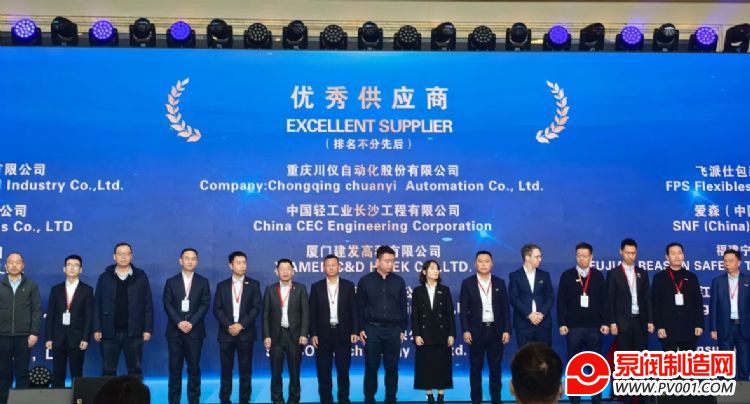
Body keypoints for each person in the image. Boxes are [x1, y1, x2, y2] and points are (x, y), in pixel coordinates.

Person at [556, 243, 608, 404]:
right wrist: (562, 323)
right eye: (578, 255)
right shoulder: (567, 275)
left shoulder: (598, 275)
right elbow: (561, 302)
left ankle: (596, 399)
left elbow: (604, 301)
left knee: (596, 365)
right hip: (573, 328)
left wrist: (605, 322)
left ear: (591, 257)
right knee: (574, 365)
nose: (581, 258)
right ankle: (575, 400)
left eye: (585, 256)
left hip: (594, 327)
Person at [93, 242, 154, 379]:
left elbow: (148, 304)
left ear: (131, 256)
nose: (123, 257)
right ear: (114, 257)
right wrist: (96, 328)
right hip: (109, 332)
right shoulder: (105, 277)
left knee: (135, 370)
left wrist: (147, 329)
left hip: (134, 332)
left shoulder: (140, 276)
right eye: (120, 254)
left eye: (127, 254)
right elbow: (97, 304)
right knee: (108, 370)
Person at [358, 245, 408, 404]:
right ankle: (369, 399)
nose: (390, 264)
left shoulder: (399, 281)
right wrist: (361, 328)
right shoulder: (365, 281)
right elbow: (359, 307)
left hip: (393, 330)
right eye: (387, 261)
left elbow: (403, 306)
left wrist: (402, 328)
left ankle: (391, 399)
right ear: (377, 262)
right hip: (372, 329)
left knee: (392, 368)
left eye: (392, 261)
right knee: (371, 367)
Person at [459, 250, 511, 404]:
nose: (483, 264)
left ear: (492, 264)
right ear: (475, 264)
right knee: (476, 370)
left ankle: (496, 400)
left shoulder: (499, 282)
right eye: (480, 261)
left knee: (496, 369)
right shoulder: (467, 283)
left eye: (487, 261)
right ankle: (476, 400)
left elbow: (505, 308)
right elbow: (463, 310)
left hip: (496, 331)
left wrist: (507, 329)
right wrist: (465, 330)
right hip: (476, 332)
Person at [163, 248, 211, 404]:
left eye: (193, 258)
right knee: (174, 370)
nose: (190, 261)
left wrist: (191, 322)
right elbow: (167, 304)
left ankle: (194, 400)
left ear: (197, 261)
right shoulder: (171, 282)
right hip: (175, 332)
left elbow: (205, 305)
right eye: (187, 258)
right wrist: (179, 322)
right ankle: (174, 400)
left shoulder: (203, 282)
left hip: (195, 332)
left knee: (194, 369)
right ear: (180, 261)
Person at [309, 254, 359, 404]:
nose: (331, 268)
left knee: (343, 370)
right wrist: (313, 334)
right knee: (323, 371)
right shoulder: (316, 287)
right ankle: (326, 400)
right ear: (323, 268)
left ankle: (344, 399)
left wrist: (355, 331)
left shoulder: (348, 286)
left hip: (343, 333)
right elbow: (312, 313)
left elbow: (354, 310)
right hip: (323, 335)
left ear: (339, 267)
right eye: (328, 265)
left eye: (333, 265)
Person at [213, 251, 261, 404]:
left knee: (245, 370)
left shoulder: (254, 284)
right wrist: (229, 325)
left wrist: (241, 325)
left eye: (244, 262)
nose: (242, 266)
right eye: (238, 263)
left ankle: (244, 399)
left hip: (245, 333)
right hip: (226, 333)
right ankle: (224, 399)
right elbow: (217, 309)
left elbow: (256, 308)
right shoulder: (222, 286)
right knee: (226, 370)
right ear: (231, 265)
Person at [263, 259, 309, 404]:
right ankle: (277, 400)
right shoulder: (270, 290)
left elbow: (305, 313)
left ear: (293, 271)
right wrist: (266, 336)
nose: (285, 272)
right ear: (277, 272)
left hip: (294, 336)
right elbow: (265, 315)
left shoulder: (300, 288)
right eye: (282, 269)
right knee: (276, 372)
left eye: (288, 269)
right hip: (275, 336)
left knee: (294, 372)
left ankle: (294, 400)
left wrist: (304, 333)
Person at [45, 254, 93, 388]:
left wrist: (85, 338)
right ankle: (57, 398)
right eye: (69, 265)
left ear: (81, 269)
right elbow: (51, 315)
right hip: (58, 337)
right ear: (64, 269)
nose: (72, 268)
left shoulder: (87, 290)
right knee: (58, 374)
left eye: (76, 265)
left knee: (76, 374)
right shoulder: (56, 289)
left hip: (77, 338)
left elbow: (88, 316)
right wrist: (48, 337)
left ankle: (77, 398)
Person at [0, 252, 42, 404]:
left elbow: (36, 310)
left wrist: (34, 333)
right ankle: (3, 401)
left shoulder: (31, 285)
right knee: (3, 373)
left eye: (17, 262)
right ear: (5, 265)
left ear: (22, 265)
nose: (14, 265)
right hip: (2, 336)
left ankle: (21, 402)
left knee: (22, 372)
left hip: (24, 336)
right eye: (11, 262)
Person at [412, 260, 455, 404]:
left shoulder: (445, 290)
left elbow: (450, 314)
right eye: (432, 268)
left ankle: (441, 396)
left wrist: (451, 334)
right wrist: (417, 334)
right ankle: (429, 396)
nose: (436, 271)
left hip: (442, 334)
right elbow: (415, 316)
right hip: (424, 335)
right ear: (424, 272)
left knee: (442, 365)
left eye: (437, 268)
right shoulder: (418, 291)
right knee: (426, 366)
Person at [652, 242, 704, 351]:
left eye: (680, 253)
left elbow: (698, 302)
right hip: (668, 329)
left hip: (689, 329)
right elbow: (656, 304)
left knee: (688, 361)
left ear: (683, 255)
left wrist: (699, 324)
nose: (677, 256)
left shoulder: (691, 277)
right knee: (670, 361)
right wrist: (659, 326)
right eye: (673, 254)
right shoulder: (659, 278)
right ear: (667, 257)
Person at [710, 249, 750, 380]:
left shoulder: (747, 280)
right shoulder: (717, 281)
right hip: (724, 326)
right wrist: (713, 328)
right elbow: (713, 305)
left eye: (731, 261)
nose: (727, 263)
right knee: (724, 363)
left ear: (739, 262)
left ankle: (744, 389)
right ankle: (725, 390)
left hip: (744, 327)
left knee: (744, 362)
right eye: (725, 261)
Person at [607, 238, 653, 352]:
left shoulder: (642, 273)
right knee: (625, 354)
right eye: (627, 253)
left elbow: (647, 298)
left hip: (640, 321)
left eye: (633, 253)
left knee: (641, 354)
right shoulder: (613, 273)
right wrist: (612, 322)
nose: (630, 256)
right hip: (622, 322)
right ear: (621, 252)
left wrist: (650, 320)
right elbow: (610, 299)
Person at [509, 244, 554, 347]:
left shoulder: (545, 275)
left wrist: (541, 314)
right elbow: (514, 299)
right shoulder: (515, 276)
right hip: (523, 324)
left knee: (544, 355)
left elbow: (550, 297)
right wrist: (529, 314)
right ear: (527, 258)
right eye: (537, 257)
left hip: (543, 324)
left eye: (540, 256)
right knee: (525, 355)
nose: (540, 259)